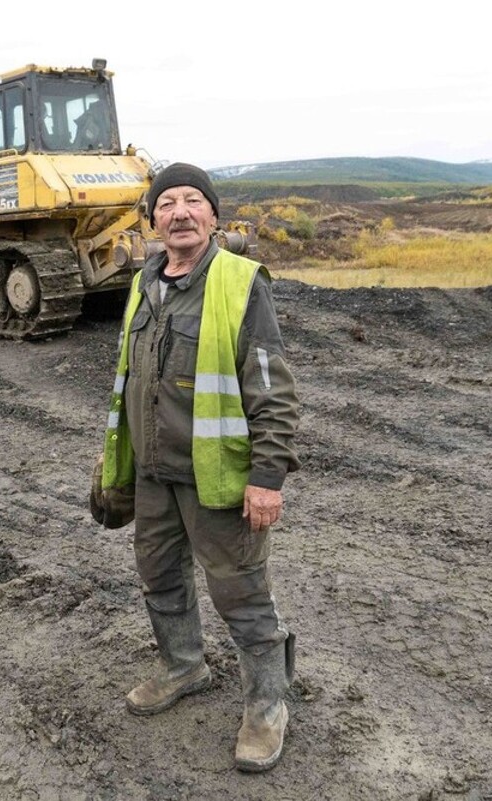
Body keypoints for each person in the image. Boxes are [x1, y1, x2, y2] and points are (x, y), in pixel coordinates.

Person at [98, 162, 301, 772]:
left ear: (213, 216)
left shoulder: (241, 283)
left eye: (193, 201)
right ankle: (183, 667)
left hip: (217, 476)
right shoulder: (144, 282)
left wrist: (266, 477)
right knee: (158, 577)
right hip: (156, 473)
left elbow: (272, 390)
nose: (180, 212)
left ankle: (268, 704)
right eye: (167, 203)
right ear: (152, 219)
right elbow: (132, 381)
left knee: (240, 593)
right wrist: (117, 464)